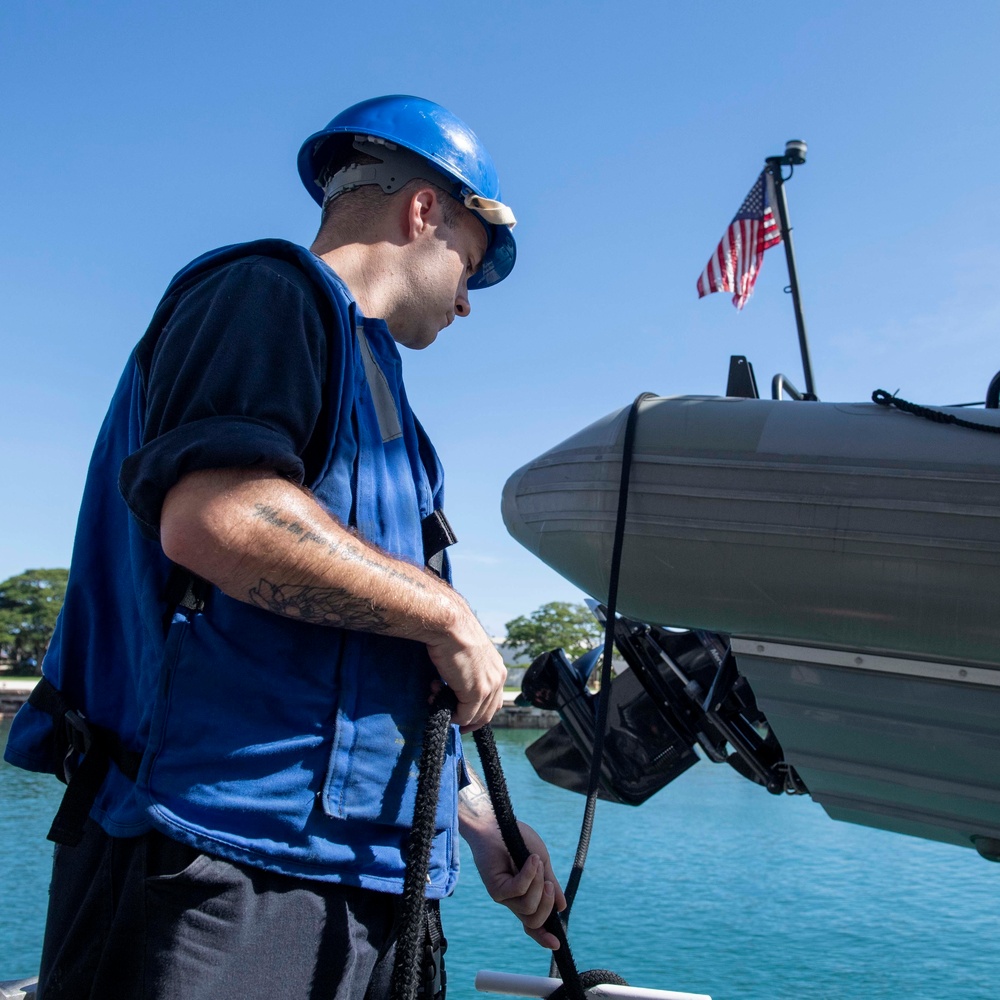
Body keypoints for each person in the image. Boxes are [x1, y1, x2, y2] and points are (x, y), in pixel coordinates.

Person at [4, 95, 566, 999]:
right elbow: (217, 516)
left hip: (366, 880)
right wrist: (447, 613)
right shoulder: (269, 292)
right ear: (423, 212)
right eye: (472, 258)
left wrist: (477, 821)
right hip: (217, 868)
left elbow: (371, 669)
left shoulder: (393, 415)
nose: (469, 298)